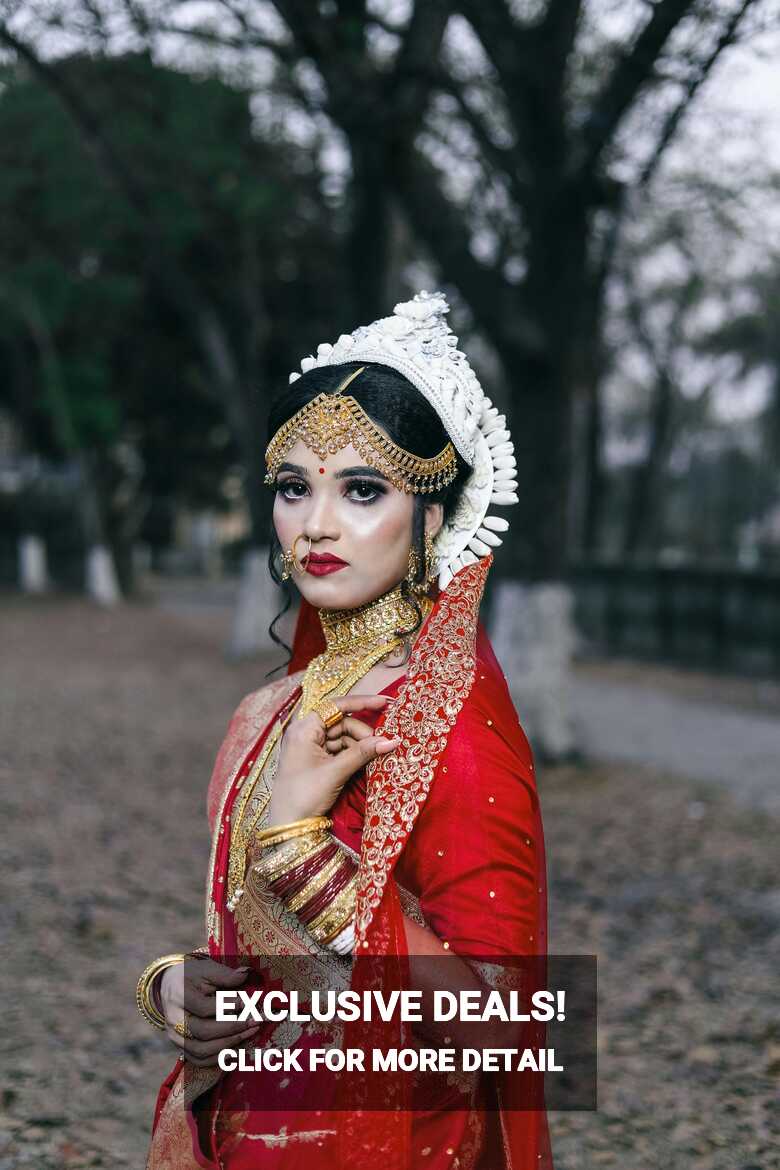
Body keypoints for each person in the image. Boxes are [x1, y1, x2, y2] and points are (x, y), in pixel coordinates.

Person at [138, 291, 554, 1169]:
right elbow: (259, 952)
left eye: (363, 489)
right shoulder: (269, 709)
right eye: (295, 488)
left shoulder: (454, 728)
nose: (316, 525)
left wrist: (300, 845)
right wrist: (180, 989)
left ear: (434, 517)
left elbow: (494, 1029)